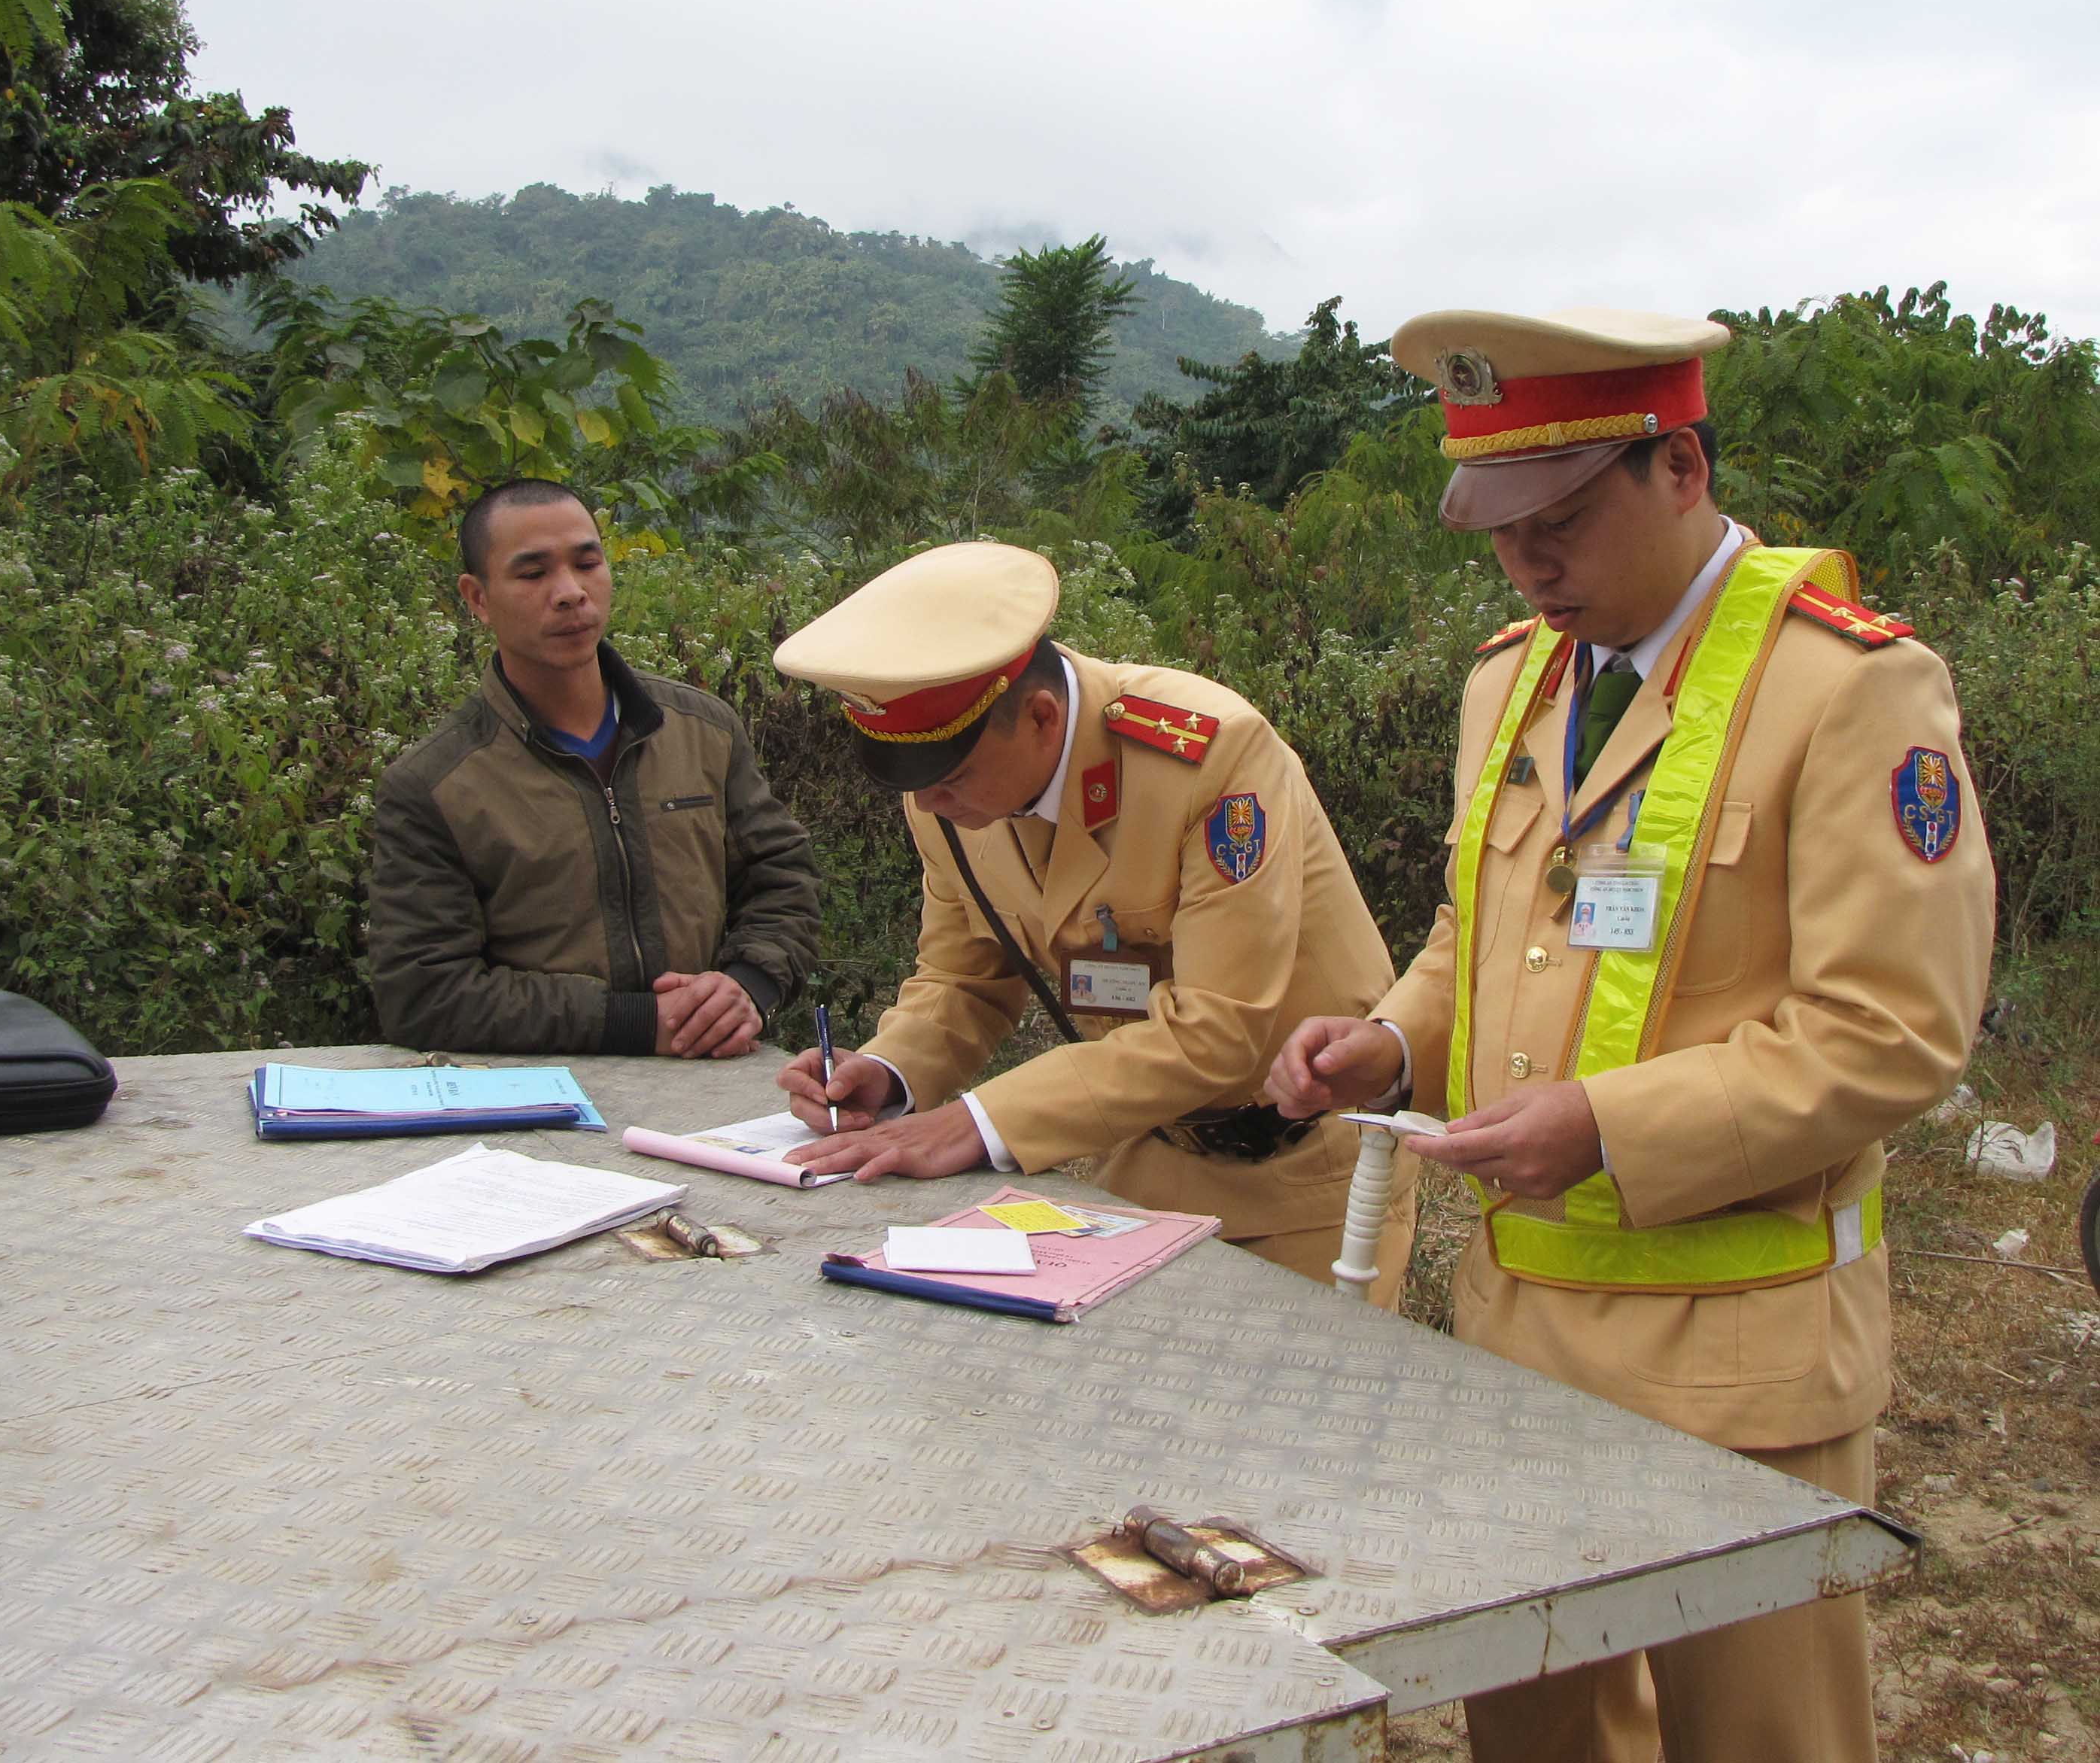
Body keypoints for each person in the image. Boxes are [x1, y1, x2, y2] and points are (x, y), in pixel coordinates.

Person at [1265, 308, 1995, 1761]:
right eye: (1498, 529)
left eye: (1562, 519)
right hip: (1517, 1333)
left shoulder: (1849, 687)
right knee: (1537, 1735)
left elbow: (1893, 1031)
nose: (1529, 564)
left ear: (1677, 468)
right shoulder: (1514, 678)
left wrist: (1605, 1127)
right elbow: (1484, 935)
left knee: (1756, 1740)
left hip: (1739, 1359)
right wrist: (1393, 1043)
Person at [770, 542, 1414, 1299]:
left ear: (1042, 718)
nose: (930, 805)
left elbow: (1218, 1028)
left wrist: (973, 1124)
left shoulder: (1210, 758)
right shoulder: (947, 802)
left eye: (949, 779)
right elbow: (964, 978)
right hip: (1135, 1177)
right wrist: (888, 1071)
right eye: (916, 784)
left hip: (1300, 1183)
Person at [369, 478, 820, 1057]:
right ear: (477, 598)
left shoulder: (702, 731)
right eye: (533, 574)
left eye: (587, 563)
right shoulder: (436, 784)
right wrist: (635, 1022)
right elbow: (424, 992)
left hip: (709, 1083)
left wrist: (747, 987)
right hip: (533, 1101)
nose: (570, 593)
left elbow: (783, 878)